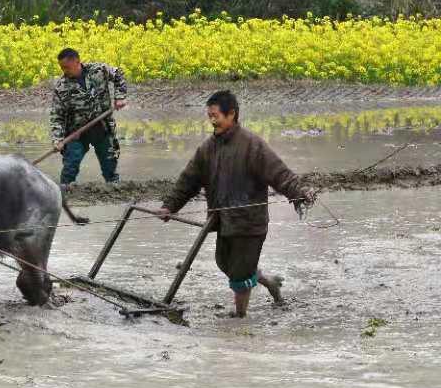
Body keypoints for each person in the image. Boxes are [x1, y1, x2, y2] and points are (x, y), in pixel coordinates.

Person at [156, 90, 317, 318]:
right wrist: (169, 206)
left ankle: (240, 317)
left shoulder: (252, 145)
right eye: (209, 116)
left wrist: (300, 192)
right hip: (222, 222)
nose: (212, 121)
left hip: (249, 223)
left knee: (240, 274)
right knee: (225, 263)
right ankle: (270, 282)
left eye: (216, 116)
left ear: (231, 114)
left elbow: (279, 173)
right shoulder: (206, 149)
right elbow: (188, 180)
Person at [50, 48, 127, 190]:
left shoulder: (98, 70)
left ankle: (114, 189)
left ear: (77, 61)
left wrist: (120, 97)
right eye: (61, 67)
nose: (64, 70)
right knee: (70, 164)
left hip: (101, 126)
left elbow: (118, 74)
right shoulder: (61, 86)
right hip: (76, 132)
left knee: (109, 163)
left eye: (66, 67)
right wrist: (57, 139)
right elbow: (57, 115)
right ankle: (64, 191)